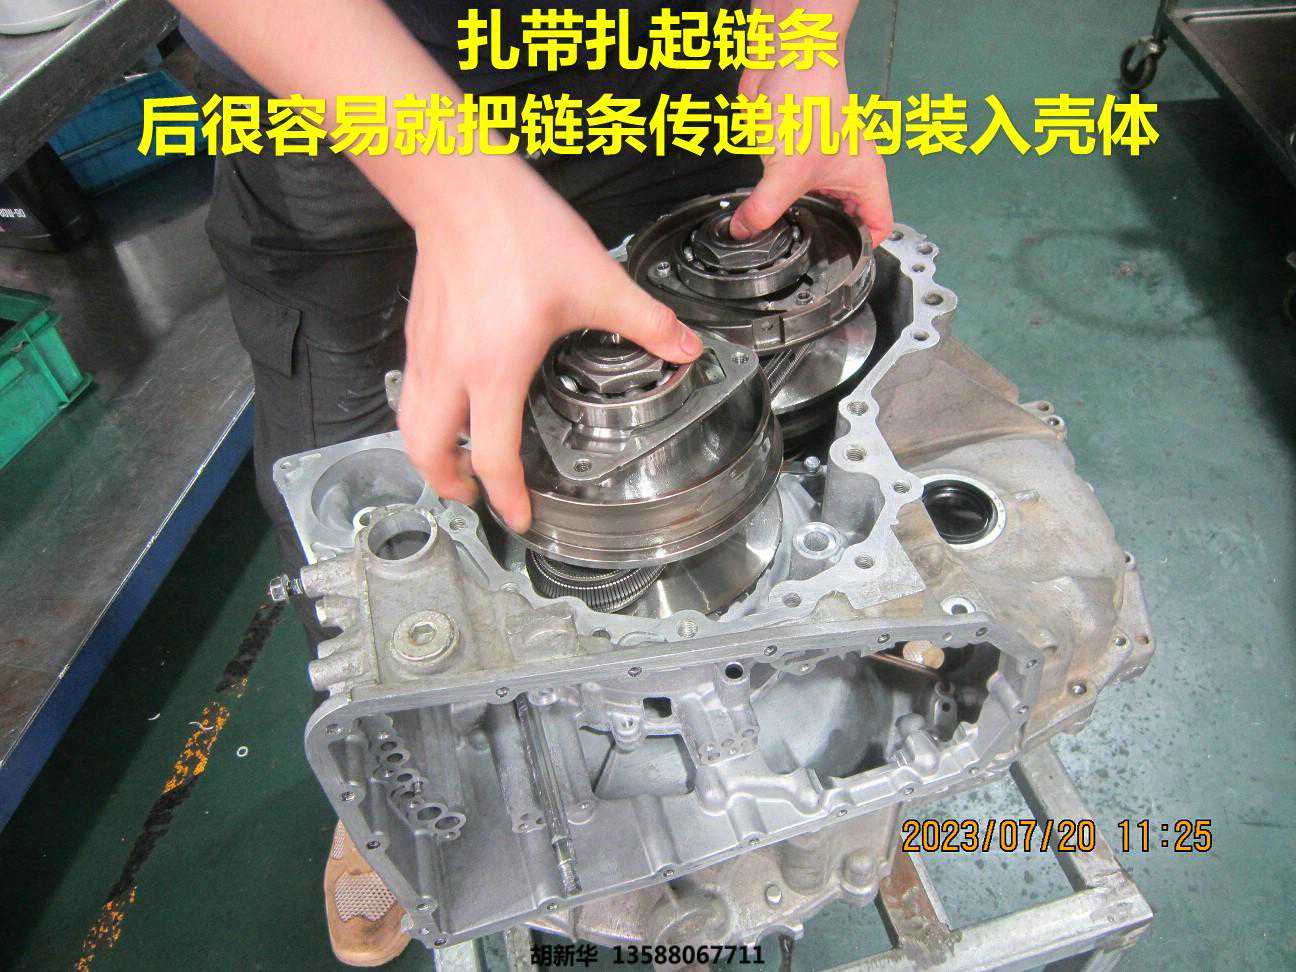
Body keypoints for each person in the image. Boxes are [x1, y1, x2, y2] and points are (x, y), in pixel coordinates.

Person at [173, 0, 892, 963]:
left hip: (660, 64)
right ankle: (405, 775)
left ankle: (730, 760)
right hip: (345, 97)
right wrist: (458, 193)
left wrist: (803, 36)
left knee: (718, 457)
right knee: (373, 532)